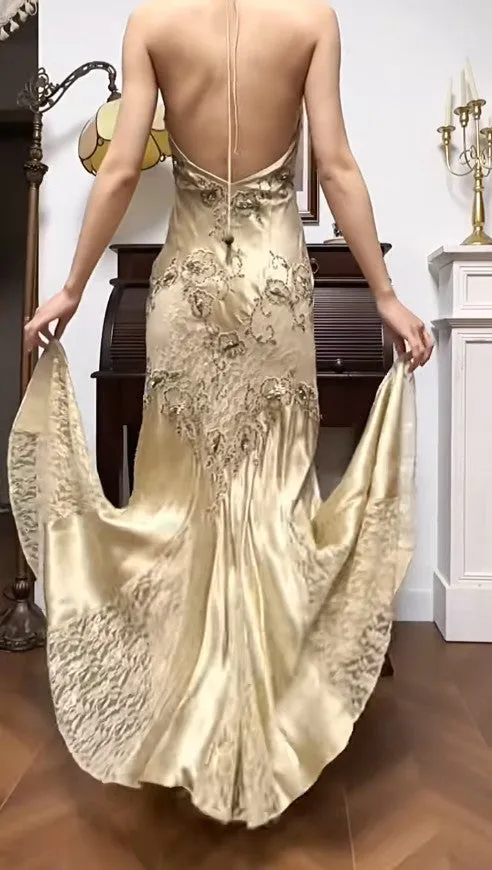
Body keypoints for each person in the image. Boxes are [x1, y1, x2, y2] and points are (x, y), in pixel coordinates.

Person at [10, 0, 433, 829]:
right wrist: (384, 295)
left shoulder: (153, 23)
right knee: (273, 504)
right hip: (275, 287)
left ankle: (194, 726)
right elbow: (336, 166)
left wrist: (70, 288)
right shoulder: (311, 20)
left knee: (180, 507)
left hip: (188, 289)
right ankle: (262, 733)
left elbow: (121, 170)